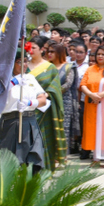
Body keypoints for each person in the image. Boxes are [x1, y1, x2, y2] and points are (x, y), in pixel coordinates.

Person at [0, 53, 49, 174]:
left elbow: (43, 100)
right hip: (11, 122)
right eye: (20, 62)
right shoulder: (2, 78)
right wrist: (12, 83)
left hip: (30, 122)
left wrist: (30, 102)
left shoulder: (30, 78)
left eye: (26, 61)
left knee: (32, 161)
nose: (24, 65)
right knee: (10, 163)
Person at [27, 39, 67, 170]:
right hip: (25, 108)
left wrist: (44, 95)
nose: (30, 51)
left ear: (41, 49)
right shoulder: (22, 66)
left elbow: (54, 88)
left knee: (44, 139)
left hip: (43, 110)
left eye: (34, 48)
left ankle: (45, 168)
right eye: (29, 48)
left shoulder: (49, 68)